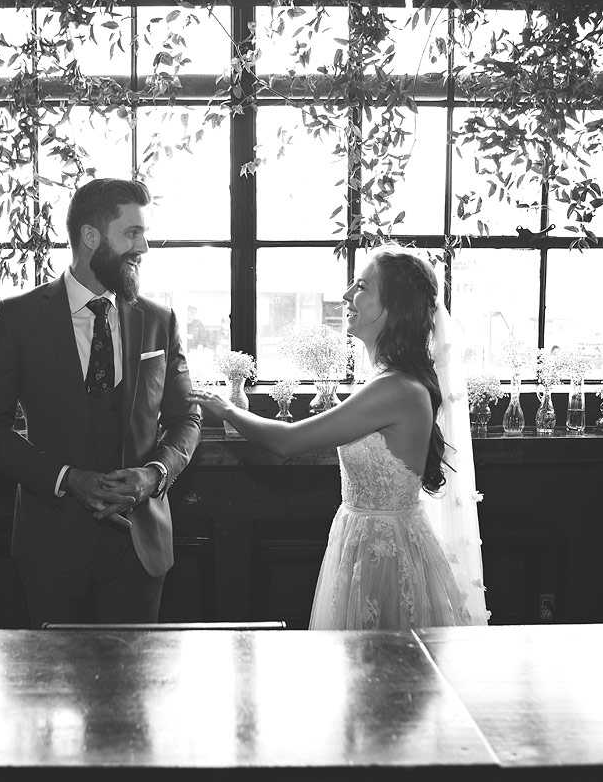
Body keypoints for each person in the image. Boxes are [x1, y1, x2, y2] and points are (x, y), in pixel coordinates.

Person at [190, 246, 488, 630]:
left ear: (393, 308)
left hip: (387, 554)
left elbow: (289, 441)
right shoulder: (387, 381)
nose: (347, 295)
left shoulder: (396, 388)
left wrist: (226, 408)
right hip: (360, 539)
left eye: (361, 287)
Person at [0, 178, 201, 627]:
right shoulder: (19, 319)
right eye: (132, 233)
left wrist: (155, 474)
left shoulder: (158, 321)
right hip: (51, 546)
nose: (144, 246)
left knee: (136, 690)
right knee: (52, 689)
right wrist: (67, 478)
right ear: (91, 237)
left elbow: (185, 418)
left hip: (141, 547)